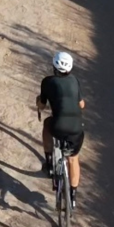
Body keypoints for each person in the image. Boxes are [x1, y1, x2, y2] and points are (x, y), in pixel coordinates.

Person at [35, 51, 85, 206]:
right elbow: (82, 105)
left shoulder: (47, 82)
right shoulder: (75, 81)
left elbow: (42, 105)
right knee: (73, 159)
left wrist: (39, 103)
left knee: (47, 124)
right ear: (70, 68)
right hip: (76, 128)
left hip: (58, 125)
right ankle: (73, 196)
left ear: (53, 66)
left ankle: (49, 163)